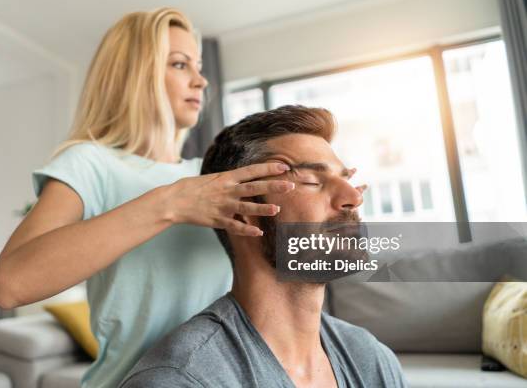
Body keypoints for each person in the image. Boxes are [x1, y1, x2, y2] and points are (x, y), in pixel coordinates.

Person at [0, 8, 296, 388]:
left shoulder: (214, 178)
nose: (201, 81)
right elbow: (10, 285)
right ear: (134, 76)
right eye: (180, 65)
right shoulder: (90, 163)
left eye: (199, 66)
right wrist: (168, 204)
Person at [120, 105, 408, 388]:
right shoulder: (180, 379)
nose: (353, 198)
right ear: (242, 210)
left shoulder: (371, 358)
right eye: (311, 179)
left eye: (346, 179)